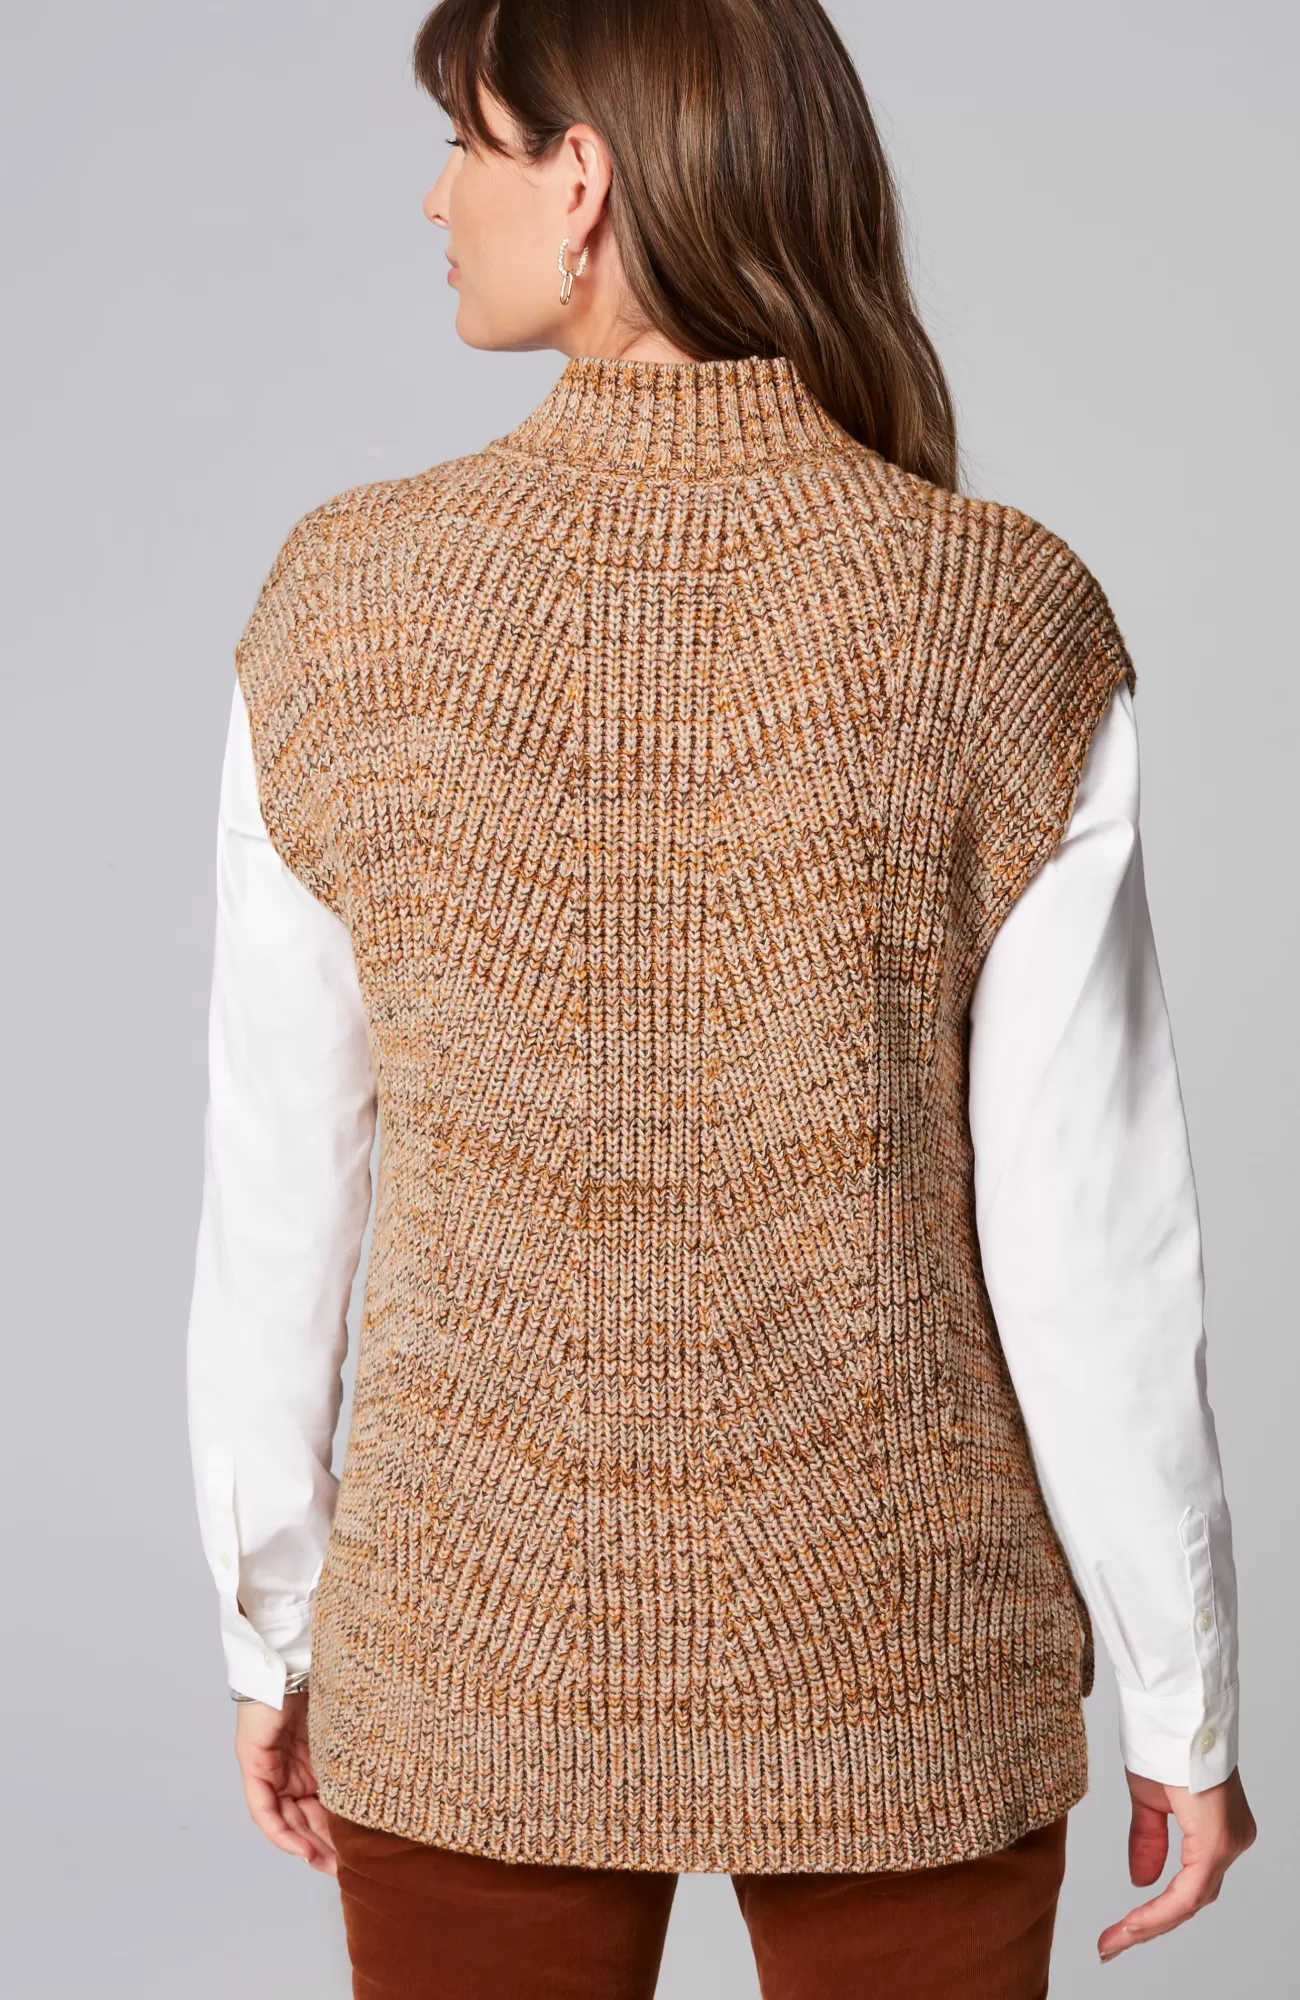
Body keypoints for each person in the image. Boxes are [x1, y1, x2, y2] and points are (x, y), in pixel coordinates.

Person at [185, 2, 1257, 1994]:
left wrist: (274, 1625)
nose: (434, 197)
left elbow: (280, 1202)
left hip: (473, 1648)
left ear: (581, 181)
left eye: (466, 143)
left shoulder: (343, 610)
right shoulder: (995, 616)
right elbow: (1088, 1240)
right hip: (903, 1658)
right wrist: (1181, 1702)